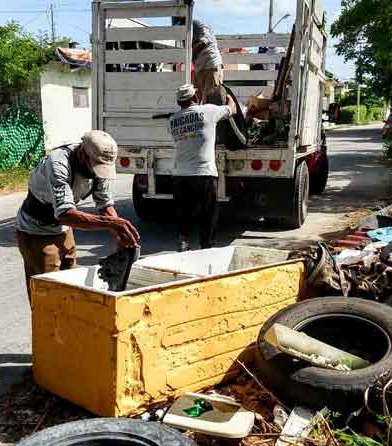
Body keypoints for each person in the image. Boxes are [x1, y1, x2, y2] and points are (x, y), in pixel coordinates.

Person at [15, 131, 140, 298]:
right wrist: (112, 224)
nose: (98, 172)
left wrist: (120, 233)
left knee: (72, 290)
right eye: (95, 166)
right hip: (37, 231)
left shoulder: (98, 162)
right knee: (50, 295)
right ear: (82, 154)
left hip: (63, 229)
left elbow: (104, 203)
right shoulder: (58, 163)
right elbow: (65, 214)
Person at [168, 84, 233, 252]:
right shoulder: (209, 111)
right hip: (203, 173)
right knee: (208, 213)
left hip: (180, 174)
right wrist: (229, 98)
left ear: (178, 102)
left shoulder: (172, 120)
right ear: (195, 98)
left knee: (184, 212)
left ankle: (183, 242)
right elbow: (231, 110)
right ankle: (207, 248)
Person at [172, 17, 223, 104]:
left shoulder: (198, 24)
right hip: (199, 68)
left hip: (211, 66)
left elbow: (204, 42)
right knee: (195, 99)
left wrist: (189, 55)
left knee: (212, 100)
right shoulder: (185, 33)